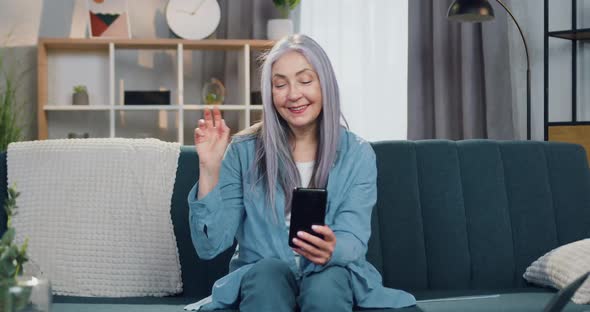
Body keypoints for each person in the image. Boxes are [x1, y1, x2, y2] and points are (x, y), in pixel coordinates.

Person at [187, 34, 416, 311]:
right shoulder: (243, 151)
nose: (293, 94)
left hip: (331, 276)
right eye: (280, 84)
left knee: (327, 282)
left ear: (325, 84)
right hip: (264, 281)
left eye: (305, 81)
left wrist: (334, 248)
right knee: (266, 276)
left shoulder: (358, 154)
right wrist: (210, 169)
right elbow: (209, 246)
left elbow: (354, 238)